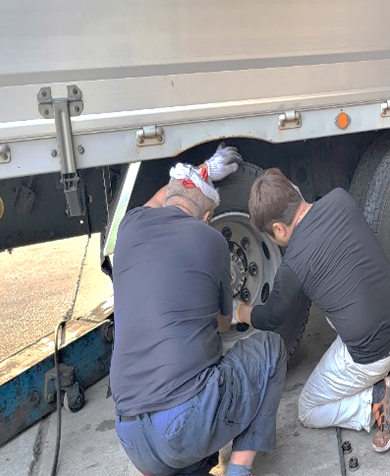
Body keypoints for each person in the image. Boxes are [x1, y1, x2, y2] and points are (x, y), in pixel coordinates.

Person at [110, 145, 286, 476]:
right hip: (182, 426)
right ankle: (239, 471)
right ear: (208, 220)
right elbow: (222, 324)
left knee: (193, 440)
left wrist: (201, 169)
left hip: (132, 439)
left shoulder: (130, 226)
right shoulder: (211, 240)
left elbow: (164, 196)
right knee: (270, 349)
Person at [232, 168, 390, 452]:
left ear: (279, 229)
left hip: (371, 352)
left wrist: (240, 311)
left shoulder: (293, 266)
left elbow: (271, 317)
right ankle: (379, 373)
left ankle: (375, 401)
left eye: (272, 235)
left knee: (308, 410)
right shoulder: (340, 199)